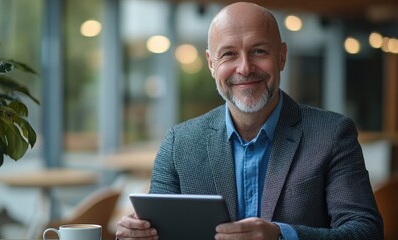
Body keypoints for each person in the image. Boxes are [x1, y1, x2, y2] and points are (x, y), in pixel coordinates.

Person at [115, 2, 383, 240]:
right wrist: (137, 235)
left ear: (281, 56)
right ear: (211, 63)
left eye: (258, 51)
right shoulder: (179, 144)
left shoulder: (332, 134)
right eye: (229, 54)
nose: (244, 68)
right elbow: (157, 229)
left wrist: (282, 235)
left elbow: (365, 230)